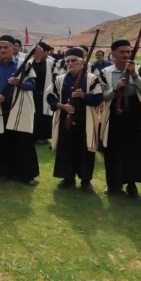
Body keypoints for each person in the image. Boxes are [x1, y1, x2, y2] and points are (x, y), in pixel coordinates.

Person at [0, 35, 39, 185]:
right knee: (0, 141)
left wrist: (19, 83)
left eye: (6, 47)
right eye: (0, 47)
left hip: (20, 107)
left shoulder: (25, 64)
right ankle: (2, 172)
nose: (2, 50)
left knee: (22, 141)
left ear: (13, 49)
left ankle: (26, 175)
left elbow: (33, 84)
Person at [99, 40, 141, 198]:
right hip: (114, 116)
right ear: (113, 54)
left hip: (134, 115)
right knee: (113, 150)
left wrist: (134, 75)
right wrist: (115, 89)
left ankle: (132, 184)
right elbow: (103, 96)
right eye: (122, 52)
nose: (126, 55)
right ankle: (113, 184)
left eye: (128, 52)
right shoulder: (105, 72)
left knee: (133, 151)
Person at [46, 47, 103, 191]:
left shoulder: (92, 78)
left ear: (82, 62)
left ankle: (85, 180)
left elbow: (98, 98)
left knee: (85, 151)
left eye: (73, 60)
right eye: (68, 61)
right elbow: (50, 97)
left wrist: (83, 95)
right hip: (65, 121)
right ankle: (68, 178)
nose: (70, 63)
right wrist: (62, 106)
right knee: (66, 149)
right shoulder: (59, 79)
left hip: (86, 121)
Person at [29, 41, 55, 143]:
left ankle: (43, 136)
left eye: (37, 50)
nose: (35, 52)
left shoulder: (50, 63)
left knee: (44, 115)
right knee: (32, 115)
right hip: (31, 93)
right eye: (33, 50)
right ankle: (32, 135)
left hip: (45, 93)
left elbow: (55, 77)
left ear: (43, 52)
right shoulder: (28, 63)